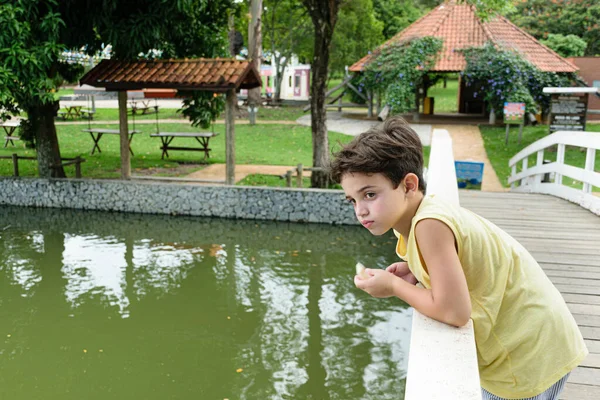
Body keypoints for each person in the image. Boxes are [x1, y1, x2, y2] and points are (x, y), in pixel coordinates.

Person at [329, 116, 588, 400]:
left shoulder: (429, 225)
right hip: (537, 339)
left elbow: (454, 312)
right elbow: (463, 259)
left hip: (526, 355)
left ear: (408, 185)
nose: (360, 210)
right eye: (352, 200)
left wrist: (394, 287)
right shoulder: (421, 216)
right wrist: (417, 268)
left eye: (369, 194)